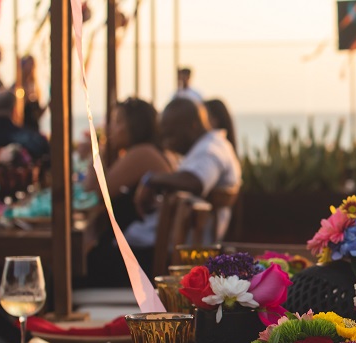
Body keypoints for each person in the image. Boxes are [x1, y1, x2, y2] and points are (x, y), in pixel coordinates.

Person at [80, 98, 175, 286]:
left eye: (117, 121)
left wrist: (98, 151)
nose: (111, 128)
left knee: (63, 272)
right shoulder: (147, 151)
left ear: (133, 126)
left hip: (138, 267)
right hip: (139, 257)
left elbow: (93, 193)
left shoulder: (142, 154)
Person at [133, 98, 242, 245]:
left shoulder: (211, 149)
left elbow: (195, 181)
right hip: (168, 242)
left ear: (194, 126)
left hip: (176, 250)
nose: (166, 141)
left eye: (171, 134)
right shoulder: (210, 147)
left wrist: (151, 179)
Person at [15, 55, 46, 132]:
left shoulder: (35, 86)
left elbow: (37, 114)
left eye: (33, 64)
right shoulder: (18, 86)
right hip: (24, 127)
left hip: (34, 128)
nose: (31, 67)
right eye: (29, 64)